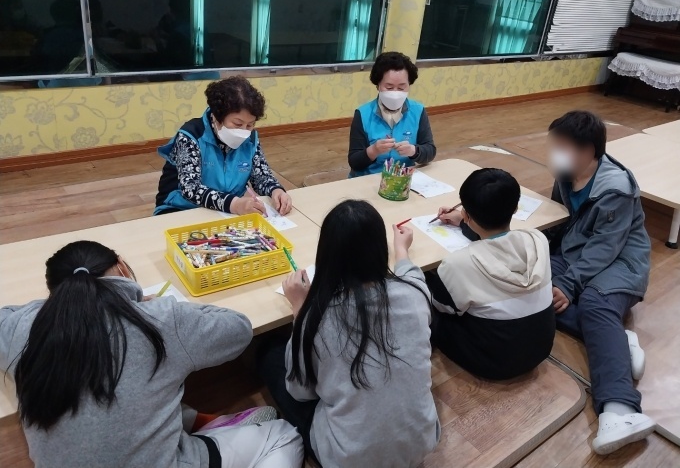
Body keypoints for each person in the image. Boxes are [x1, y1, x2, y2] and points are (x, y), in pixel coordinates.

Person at [0, 241, 303, 468]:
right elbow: (239, 329)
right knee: (284, 435)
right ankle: (208, 430)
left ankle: (200, 424)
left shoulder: (22, 326)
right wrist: (156, 307)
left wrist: (46, 309)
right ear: (122, 267)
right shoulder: (158, 319)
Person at [257, 200, 440, 467]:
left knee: (270, 356)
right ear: (380, 249)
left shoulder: (317, 316)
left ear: (326, 255)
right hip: (422, 443)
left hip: (349, 459)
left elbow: (300, 391)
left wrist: (299, 309)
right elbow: (413, 276)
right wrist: (402, 250)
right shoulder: (415, 293)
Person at [545, 111, 655, 455]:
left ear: (588, 150)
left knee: (594, 303)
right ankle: (615, 339)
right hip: (576, 253)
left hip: (621, 261)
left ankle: (620, 412)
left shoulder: (616, 188)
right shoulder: (566, 174)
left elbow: (605, 247)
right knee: (531, 283)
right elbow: (556, 219)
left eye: (561, 147)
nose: (554, 154)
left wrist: (568, 284)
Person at [426, 169, 555, 380]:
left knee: (428, 301)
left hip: (492, 363)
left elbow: (441, 307)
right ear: (515, 209)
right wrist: (464, 222)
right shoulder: (537, 239)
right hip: (540, 350)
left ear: (465, 213)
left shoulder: (457, 263)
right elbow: (499, 241)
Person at [155, 76, 293, 216]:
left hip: (225, 211)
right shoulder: (192, 136)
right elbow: (191, 189)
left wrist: (276, 190)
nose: (244, 131)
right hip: (181, 209)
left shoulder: (250, 139)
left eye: (250, 125)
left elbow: (261, 176)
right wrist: (234, 204)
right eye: (238, 124)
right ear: (217, 117)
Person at [348, 51, 436, 177]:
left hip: (402, 180)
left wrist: (414, 151)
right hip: (369, 179)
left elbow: (430, 151)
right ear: (378, 85)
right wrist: (374, 150)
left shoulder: (418, 111)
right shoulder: (363, 114)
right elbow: (354, 162)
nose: (395, 93)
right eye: (389, 87)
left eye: (401, 88)